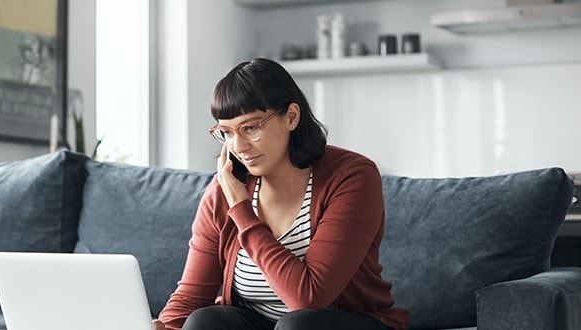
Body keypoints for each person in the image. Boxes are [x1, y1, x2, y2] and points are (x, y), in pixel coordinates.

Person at [153, 58, 409, 330]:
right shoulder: (223, 189)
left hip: (336, 322)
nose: (238, 146)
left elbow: (309, 298)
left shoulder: (352, 176)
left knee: (298, 325)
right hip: (261, 322)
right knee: (205, 320)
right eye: (226, 133)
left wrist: (242, 211)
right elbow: (192, 295)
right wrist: (163, 326)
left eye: (250, 128)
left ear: (291, 117)